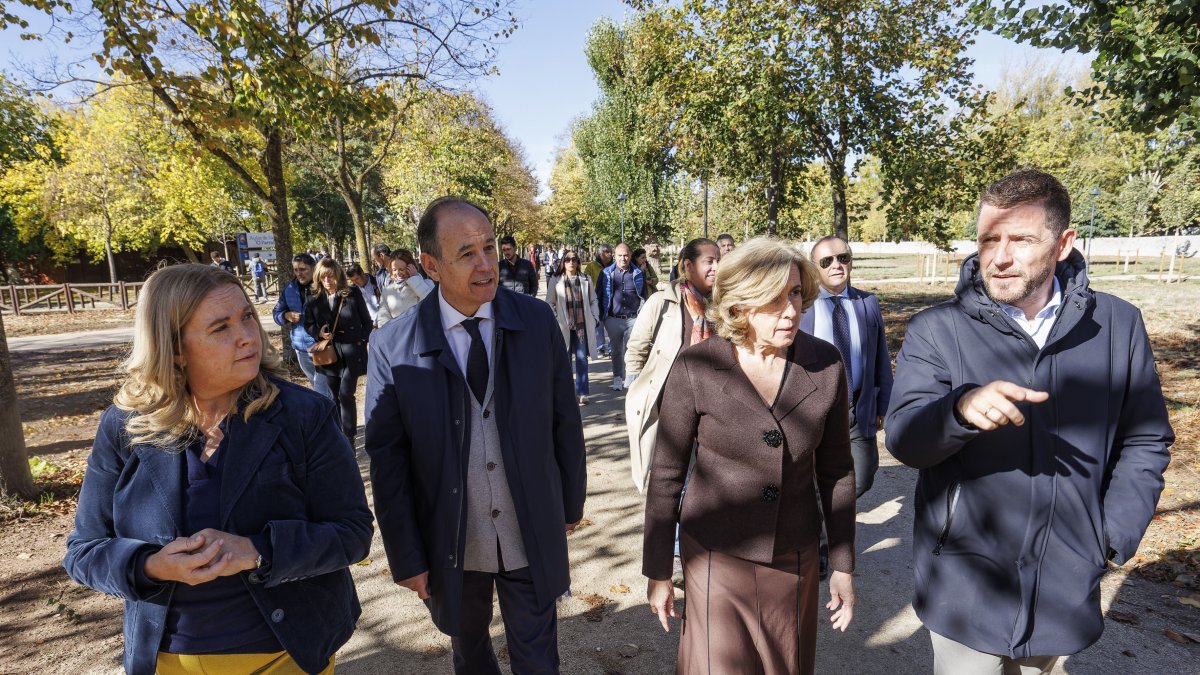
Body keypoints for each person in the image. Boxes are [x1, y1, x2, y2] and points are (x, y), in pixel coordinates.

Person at [885, 168, 1174, 673]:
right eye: (988, 239)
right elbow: (905, 439)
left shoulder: (1117, 324)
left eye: (1020, 240)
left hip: (1066, 583)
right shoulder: (937, 329)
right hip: (964, 584)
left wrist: (1111, 535)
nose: (999, 257)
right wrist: (959, 410)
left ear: (1063, 244)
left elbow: (1145, 439)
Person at [63, 263, 372, 675]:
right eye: (220, 327)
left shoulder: (304, 414)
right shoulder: (125, 426)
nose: (247, 336)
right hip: (166, 661)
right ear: (174, 348)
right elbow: (84, 551)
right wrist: (150, 565)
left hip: (285, 655)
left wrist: (258, 550)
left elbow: (352, 533)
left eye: (246, 316)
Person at [364, 197, 587, 674]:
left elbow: (564, 419)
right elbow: (388, 460)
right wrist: (406, 555)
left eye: (489, 247)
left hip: (529, 525)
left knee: (539, 660)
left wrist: (569, 503)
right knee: (470, 656)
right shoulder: (391, 346)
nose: (486, 264)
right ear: (431, 266)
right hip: (452, 539)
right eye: (466, 253)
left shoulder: (536, 321)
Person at [643, 237, 856, 675]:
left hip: (793, 559)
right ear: (739, 306)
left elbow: (836, 471)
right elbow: (666, 474)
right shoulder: (696, 367)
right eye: (774, 300)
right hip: (715, 557)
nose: (791, 311)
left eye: (795, 293)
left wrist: (842, 564)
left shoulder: (826, 365)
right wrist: (659, 571)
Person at [624, 237, 720, 491]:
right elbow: (637, 348)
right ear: (688, 266)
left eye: (719, 261)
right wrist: (638, 390)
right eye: (709, 262)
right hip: (670, 404)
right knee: (675, 474)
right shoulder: (661, 302)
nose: (716, 268)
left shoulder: (724, 306)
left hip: (714, 403)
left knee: (708, 473)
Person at [800, 236, 893, 498]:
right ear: (814, 267)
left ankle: (823, 516)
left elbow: (880, 357)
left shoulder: (867, 302)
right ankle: (821, 523)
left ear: (851, 262)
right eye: (826, 261)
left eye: (843, 258)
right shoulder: (801, 306)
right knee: (811, 475)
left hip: (857, 407)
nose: (836, 265)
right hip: (813, 408)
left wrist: (884, 405)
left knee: (862, 476)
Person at [304, 258, 374, 441]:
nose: (327, 281)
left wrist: (360, 341)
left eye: (331, 276)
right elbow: (308, 323)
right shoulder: (312, 297)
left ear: (338, 276)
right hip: (329, 354)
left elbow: (367, 322)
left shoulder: (351, 293)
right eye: (323, 277)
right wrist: (318, 333)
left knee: (345, 394)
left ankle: (349, 438)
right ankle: (340, 437)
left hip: (352, 353)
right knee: (334, 396)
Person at [272, 253, 332, 399]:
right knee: (317, 385)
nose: (299, 273)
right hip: (301, 347)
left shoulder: (323, 286)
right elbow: (276, 313)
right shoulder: (289, 289)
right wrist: (285, 315)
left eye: (303, 269)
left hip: (321, 346)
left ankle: (327, 411)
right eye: (296, 270)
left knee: (320, 389)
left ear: (313, 268)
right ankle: (335, 409)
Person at [546, 249, 600, 404]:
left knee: (582, 359)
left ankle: (582, 392)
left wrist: (595, 318)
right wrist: (556, 320)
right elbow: (549, 302)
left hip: (582, 326)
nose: (571, 262)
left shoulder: (585, 279)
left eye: (574, 259)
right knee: (565, 360)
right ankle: (568, 393)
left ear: (578, 262)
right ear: (563, 262)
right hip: (563, 327)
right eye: (568, 259)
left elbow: (593, 300)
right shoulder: (555, 280)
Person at [597, 243, 645, 391]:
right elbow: (598, 295)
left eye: (626, 255)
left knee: (633, 351)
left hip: (633, 319)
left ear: (630, 256)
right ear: (615, 256)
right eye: (620, 255)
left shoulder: (638, 273)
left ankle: (631, 379)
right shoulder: (606, 273)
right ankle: (617, 377)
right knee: (616, 351)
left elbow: (644, 295)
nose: (623, 258)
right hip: (613, 319)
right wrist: (602, 317)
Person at [375, 249, 435, 328]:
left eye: (401, 269)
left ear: (411, 267)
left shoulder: (427, 283)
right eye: (394, 270)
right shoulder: (387, 291)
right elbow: (383, 317)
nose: (398, 273)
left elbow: (432, 305)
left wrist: (415, 279)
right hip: (399, 333)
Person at [584, 244, 614, 356]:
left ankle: (611, 347)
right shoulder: (591, 266)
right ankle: (600, 346)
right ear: (600, 254)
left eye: (610, 252)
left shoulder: (614, 266)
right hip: (596, 298)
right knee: (599, 323)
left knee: (611, 324)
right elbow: (585, 281)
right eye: (607, 252)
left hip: (610, 298)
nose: (609, 254)